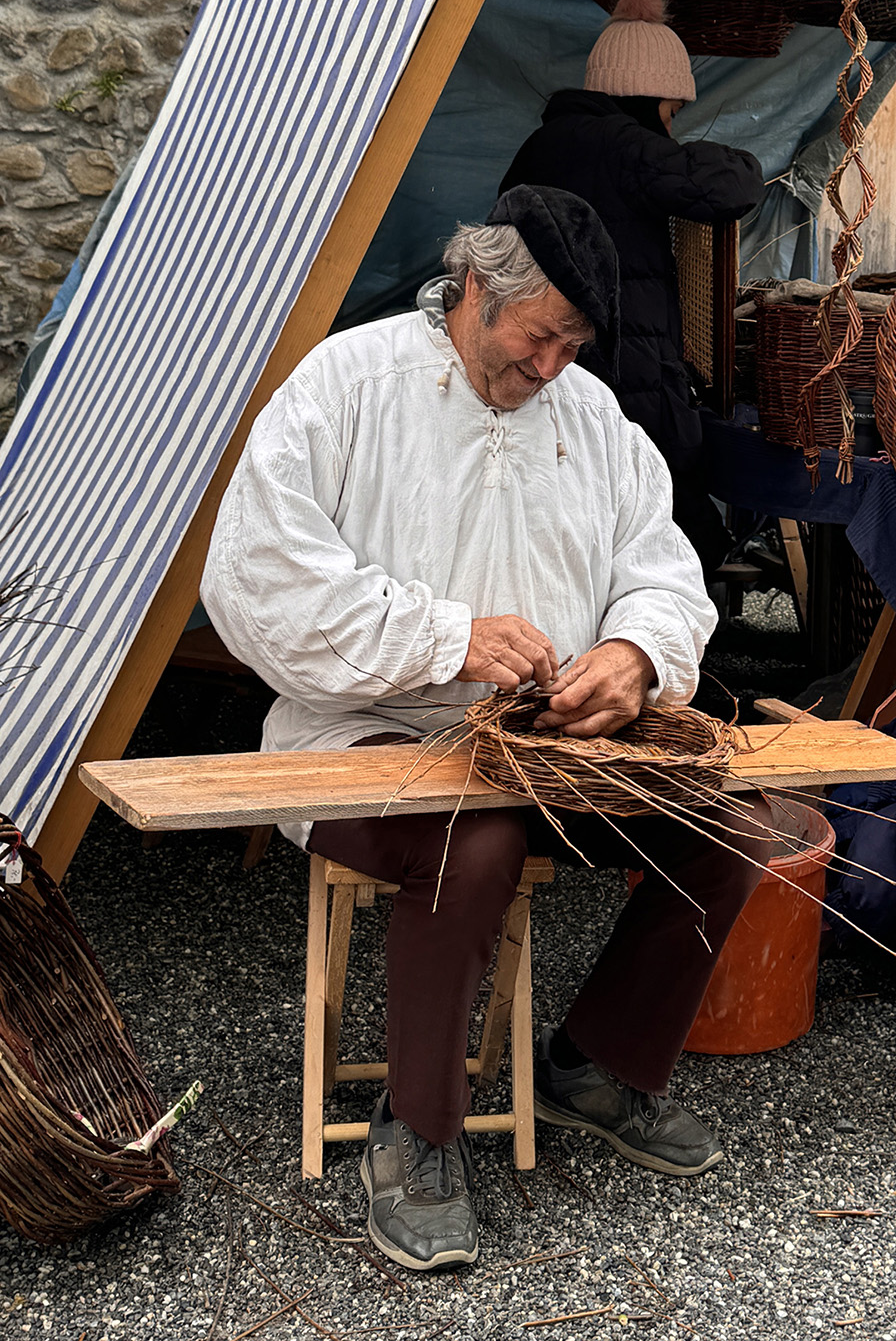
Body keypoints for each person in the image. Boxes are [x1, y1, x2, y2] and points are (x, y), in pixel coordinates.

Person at [201, 185, 772, 1273]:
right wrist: (445, 637)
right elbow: (258, 581)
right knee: (476, 840)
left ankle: (592, 1063)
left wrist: (635, 656)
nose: (552, 365)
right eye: (538, 336)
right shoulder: (348, 386)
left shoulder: (592, 418)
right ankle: (416, 1132)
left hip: (548, 745)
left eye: (573, 344)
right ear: (472, 287)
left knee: (733, 828)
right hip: (363, 733)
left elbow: (663, 573)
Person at [500, 0, 764, 574]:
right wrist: (744, 159)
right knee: (660, 523)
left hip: (545, 358)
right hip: (624, 370)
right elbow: (732, 186)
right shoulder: (622, 145)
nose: (668, 130)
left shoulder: (541, 145)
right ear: (645, 97)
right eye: (669, 112)